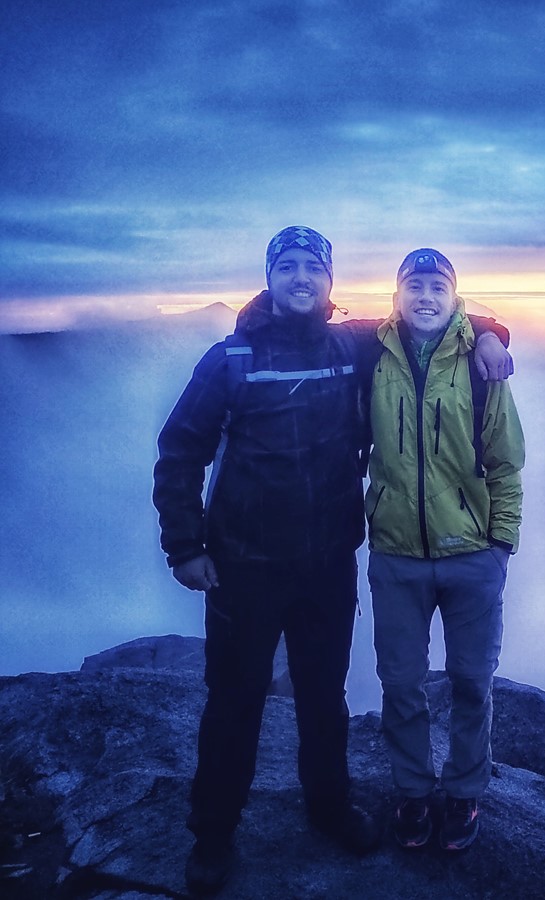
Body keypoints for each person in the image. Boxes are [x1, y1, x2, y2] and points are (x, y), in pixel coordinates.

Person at [152, 227, 513, 895]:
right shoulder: (230, 357)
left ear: (329, 282)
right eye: (285, 267)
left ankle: (327, 808)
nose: (299, 278)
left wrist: (491, 331)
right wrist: (186, 547)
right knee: (234, 700)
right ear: (270, 277)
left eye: (310, 268)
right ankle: (211, 835)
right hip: (243, 566)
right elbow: (180, 453)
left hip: (326, 564)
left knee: (324, 698)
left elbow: (427, 320)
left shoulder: (353, 347)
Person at [367, 248, 523, 853]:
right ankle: (412, 792)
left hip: (472, 555)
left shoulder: (483, 367)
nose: (425, 295)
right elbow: (291, 321)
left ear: (455, 295)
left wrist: (501, 544)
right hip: (397, 554)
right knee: (401, 683)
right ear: (397, 295)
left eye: (437, 285)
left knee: (471, 681)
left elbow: (507, 462)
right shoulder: (371, 356)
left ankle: (463, 793)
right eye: (414, 285)